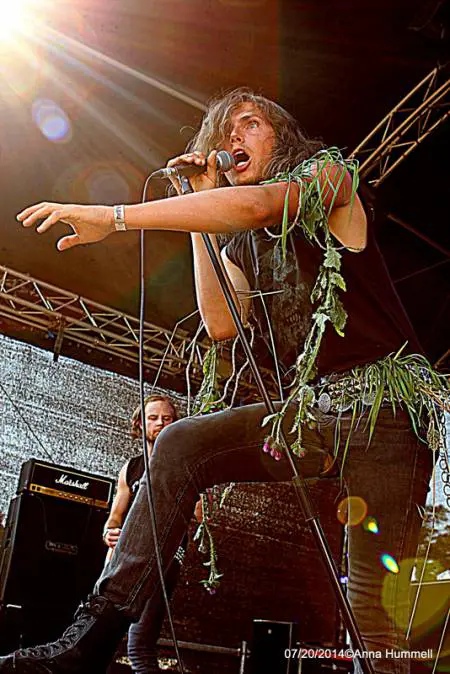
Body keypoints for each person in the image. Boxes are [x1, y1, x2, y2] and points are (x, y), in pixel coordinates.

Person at [2, 88, 446, 674]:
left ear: (281, 137)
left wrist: (114, 217)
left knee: (370, 612)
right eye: (223, 132)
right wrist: (198, 208)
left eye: (250, 124)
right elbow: (220, 321)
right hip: (308, 414)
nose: (233, 138)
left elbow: (260, 206)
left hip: (384, 414)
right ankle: (91, 640)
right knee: (179, 444)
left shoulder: (329, 177)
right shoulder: (240, 242)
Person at [103, 394, 183, 674]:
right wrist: (109, 532)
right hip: (125, 560)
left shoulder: (183, 465)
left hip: (162, 559)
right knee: (101, 637)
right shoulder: (132, 467)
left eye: (167, 418)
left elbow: (199, 516)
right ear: (140, 424)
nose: (160, 423)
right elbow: (115, 515)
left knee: (139, 645)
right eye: (153, 418)